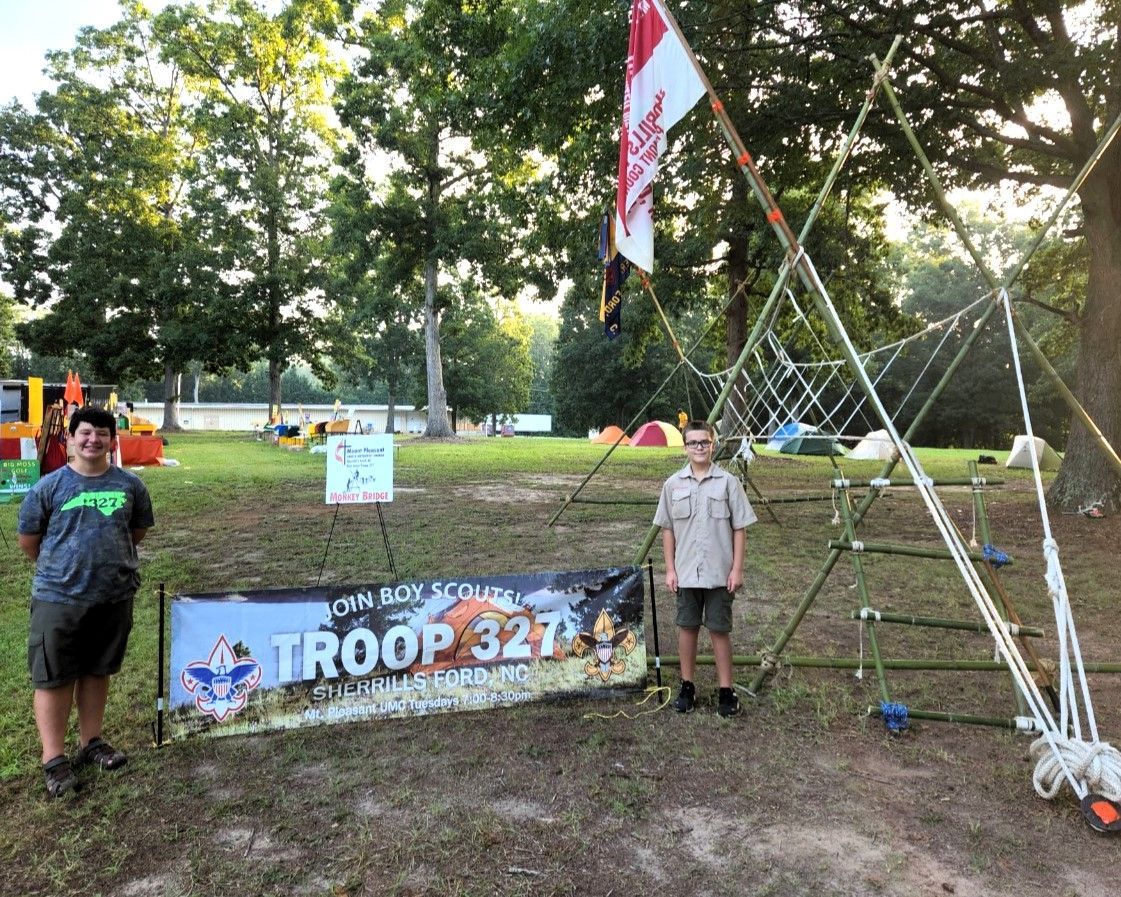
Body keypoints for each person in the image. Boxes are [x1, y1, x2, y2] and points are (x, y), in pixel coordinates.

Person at [17, 406, 155, 798]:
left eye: (102, 433)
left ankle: (92, 741)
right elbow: (30, 540)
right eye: (85, 433)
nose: (93, 439)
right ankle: (54, 759)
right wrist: (62, 568)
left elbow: (137, 530)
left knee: (98, 671)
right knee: (55, 677)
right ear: (71, 439)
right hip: (58, 598)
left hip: (113, 596)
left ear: (113, 441)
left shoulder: (130, 486)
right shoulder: (49, 487)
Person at [654, 420, 756, 717]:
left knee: (719, 629)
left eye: (704, 442)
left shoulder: (728, 483)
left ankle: (726, 690)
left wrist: (737, 569)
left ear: (713, 444)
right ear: (685, 447)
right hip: (686, 573)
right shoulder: (672, 485)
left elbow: (739, 528)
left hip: (719, 573)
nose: (699, 447)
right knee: (687, 627)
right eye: (693, 443)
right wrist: (670, 569)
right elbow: (668, 530)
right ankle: (688, 686)